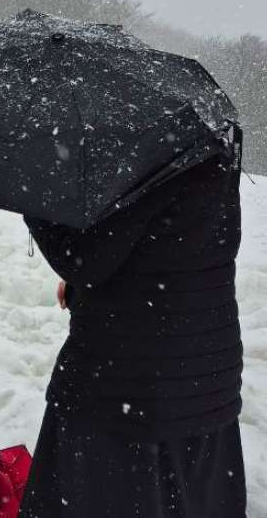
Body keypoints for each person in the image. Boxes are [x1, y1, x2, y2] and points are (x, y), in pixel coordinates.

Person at [19, 145, 246, 517]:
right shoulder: (211, 146)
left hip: (127, 389)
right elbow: (173, 248)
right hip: (207, 379)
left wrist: (33, 200)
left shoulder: (139, 151)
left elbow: (86, 259)